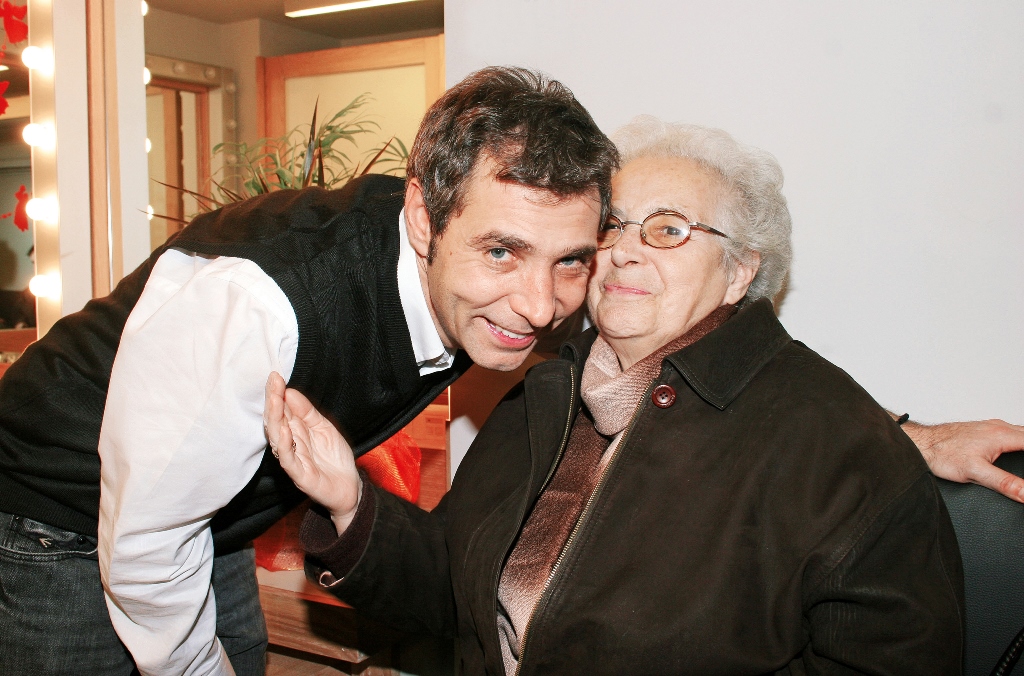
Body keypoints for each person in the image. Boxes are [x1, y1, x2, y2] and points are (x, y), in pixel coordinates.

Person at [266, 117, 967, 675]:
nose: (626, 250)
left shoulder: (840, 446)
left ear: (739, 272)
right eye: (612, 226)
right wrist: (349, 502)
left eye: (668, 229)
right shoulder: (545, 390)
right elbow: (454, 586)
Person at [0, 67, 615, 675]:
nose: (540, 307)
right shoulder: (258, 304)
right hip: (55, 513)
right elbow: (147, 547)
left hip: (209, 514)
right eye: (501, 252)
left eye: (569, 261)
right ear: (424, 219)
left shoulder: (467, 274)